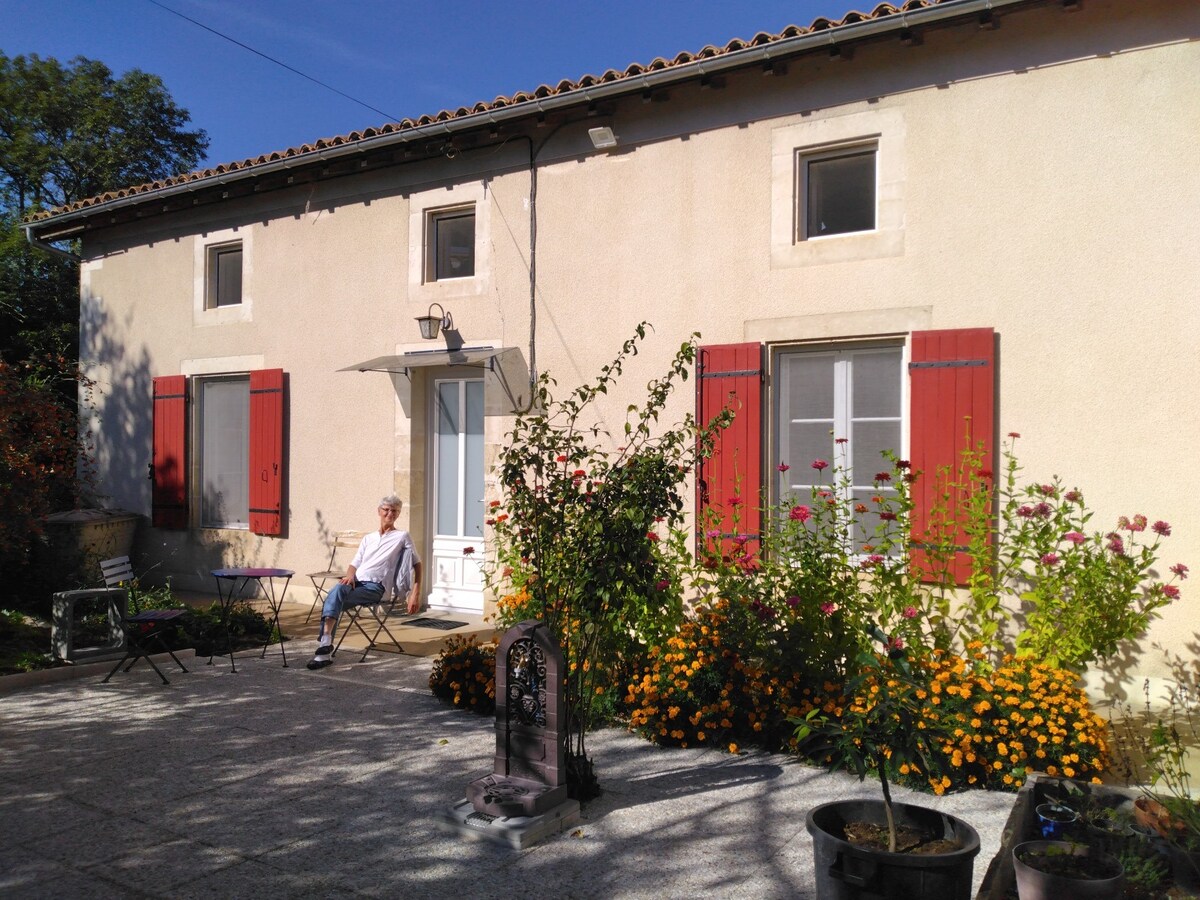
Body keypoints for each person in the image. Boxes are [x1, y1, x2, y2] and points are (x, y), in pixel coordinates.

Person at [307, 494, 422, 670]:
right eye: (386, 510)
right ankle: (325, 646)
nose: (390, 513)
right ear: (379, 511)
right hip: (356, 583)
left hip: (376, 587)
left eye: (394, 511)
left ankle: (324, 650)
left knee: (333, 597)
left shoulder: (402, 536)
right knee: (337, 592)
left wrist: (415, 593)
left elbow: (417, 564)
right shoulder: (369, 538)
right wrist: (350, 576)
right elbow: (353, 564)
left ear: (398, 515)